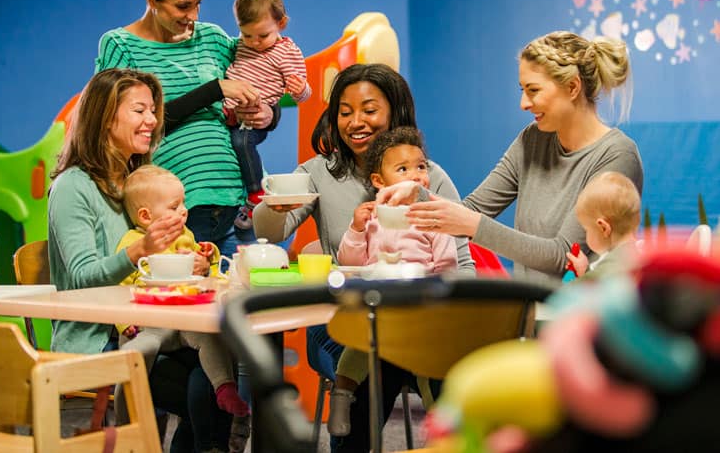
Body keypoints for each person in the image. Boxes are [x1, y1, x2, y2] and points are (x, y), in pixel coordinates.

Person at [94, 0, 274, 448]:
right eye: (180, 6)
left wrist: (263, 113)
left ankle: (202, 442)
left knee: (239, 332)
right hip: (173, 211)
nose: (190, 16)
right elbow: (136, 122)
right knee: (190, 343)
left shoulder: (214, 38)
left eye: (196, 5)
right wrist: (213, 88)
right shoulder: (120, 44)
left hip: (230, 204)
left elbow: (260, 94)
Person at [253, 63, 474, 451]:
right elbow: (270, 232)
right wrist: (274, 206)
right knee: (375, 362)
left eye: (369, 110)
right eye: (345, 111)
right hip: (342, 320)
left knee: (443, 370)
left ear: (394, 113)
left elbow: (460, 261)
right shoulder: (318, 173)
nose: (356, 122)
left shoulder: (427, 176)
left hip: (420, 321)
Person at [48, 68, 236, 452]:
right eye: (139, 110)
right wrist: (140, 251)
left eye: (153, 110)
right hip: (99, 340)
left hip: (154, 330)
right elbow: (83, 277)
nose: (152, 120)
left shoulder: (137, 183)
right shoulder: (73, 186)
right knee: (204, 393)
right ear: (104, 117)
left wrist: (192, 262)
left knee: (225, 375)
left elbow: (157, 269)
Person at [377, 31, 644, 285]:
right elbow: (472, 209)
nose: (524, 104)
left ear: (573, 87)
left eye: (533, 90)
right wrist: (417, 195)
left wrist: (472, 225)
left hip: (582, 318)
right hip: (533, 311)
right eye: (522, 90)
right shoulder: (532, 140)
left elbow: (562, 255)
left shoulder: (617, 155)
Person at [328, 126, 459, 437]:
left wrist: (432, 287)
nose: (416, 176)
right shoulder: (373, 215)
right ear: (378, 181)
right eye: (403, 169)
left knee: (430, 363)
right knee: (359, 342)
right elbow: (351, 261)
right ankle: (342, 393)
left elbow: (446, 263)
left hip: (419, 307)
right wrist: (357, 229)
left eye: (421, 167)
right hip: (377, 304)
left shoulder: (431, 213)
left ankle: (439, 422)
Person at [113, 165, 249, 425]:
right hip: (148, 325)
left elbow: (206, 271)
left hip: (184, 320)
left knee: (210, 337)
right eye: (174, 207)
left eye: (183, 202)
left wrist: (208, 258)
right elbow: (120, 285)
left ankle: (225, 388)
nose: (184, 210)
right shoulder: (132, 243)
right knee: (135, 355)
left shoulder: (185, 235)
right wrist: (124, 322)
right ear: (145, 216)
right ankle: (124, 421)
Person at [225, 0, 311, 229]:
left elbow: (304, 94)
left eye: (263, 35)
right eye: (246, 34)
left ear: (281, 24)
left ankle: (255, 196)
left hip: (255, 115)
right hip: (231, 110)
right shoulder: (240, 45)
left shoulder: (286, 52)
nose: (254, 42)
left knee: (242, 141)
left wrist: (300, 90)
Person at [566, 171, 641, 280]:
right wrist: (585, 270)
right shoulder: (641, 257)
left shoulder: (607, 270)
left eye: (587, 229)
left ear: (603, 228)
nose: (586, 234)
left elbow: (581, 292)